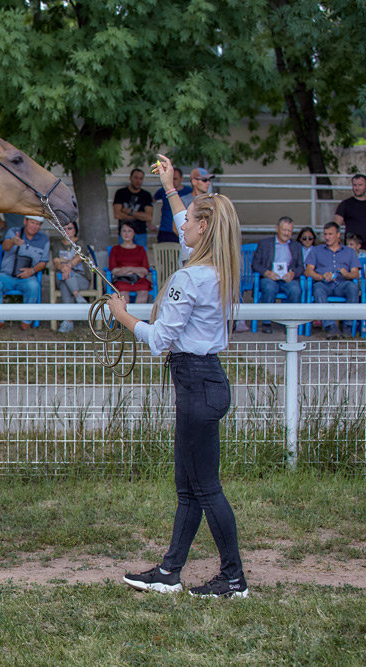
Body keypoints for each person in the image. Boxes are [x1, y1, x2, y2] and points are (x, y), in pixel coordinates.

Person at [111, 154, 249, 599]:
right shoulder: (218, 267)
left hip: (195, 383)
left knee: (204, 489)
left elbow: (160, 339)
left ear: (203, 228)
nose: (181, 225)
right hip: (206, 382)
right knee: (191, 487)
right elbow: (186, 220)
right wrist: (170, 186)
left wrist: (122, 316)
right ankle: (171, 572)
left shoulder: (189, 278)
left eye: (189, 220)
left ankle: (233, 578)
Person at [0, 214, 49, 331]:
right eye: (32, 222)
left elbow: (43, 262)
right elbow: (5, 247)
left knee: (34, 285)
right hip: (7, 275)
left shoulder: (43, 239)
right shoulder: (14, 231)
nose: (34, 226)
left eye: (38, 224)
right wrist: (12, 241)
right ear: (25, 221)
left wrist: (32, 271)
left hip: (27, 276)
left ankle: (26, 320)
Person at [305, 221, 360, 338]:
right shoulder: (316, 250)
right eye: (325, 234)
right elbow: (308, 271)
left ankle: (347, 327)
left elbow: (356, 274)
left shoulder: (349, 251)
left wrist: (347, 274)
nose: (327, 237)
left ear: (338, 235)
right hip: (324, 284)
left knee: (352, 287)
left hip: (342, 284)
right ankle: (330, 327)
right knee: (318, 288)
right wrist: (321, 276)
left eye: (330, 234)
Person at [250, 216, 303, 333]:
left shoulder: (296, 246)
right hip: (270, 277)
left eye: (289, 230)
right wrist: (267, 272)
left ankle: (291, 323)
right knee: (269, 287)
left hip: (287, 279)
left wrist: (293, 274)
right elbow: (255, 264)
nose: (286, 233)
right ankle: (266, 322)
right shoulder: (264, 244)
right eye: (284, 230)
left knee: (296, 289)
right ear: (277, 228)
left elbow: (301, 267)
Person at [51, 220, 93, 333]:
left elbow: (79, 257)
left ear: (75, 230)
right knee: (66, 277)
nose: (67, 231)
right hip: (63, 276)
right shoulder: (57, 244)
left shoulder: (80, 243)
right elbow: (55, 262)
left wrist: (67, 266)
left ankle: (67, 321)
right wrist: (63, 268)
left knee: (66, 280)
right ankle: (78, 296)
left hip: (81, 280)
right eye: (64, 229)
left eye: (69, 228)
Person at [177, 167, 215, 266]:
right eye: (204, 180)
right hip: (189, 249)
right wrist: (189, 243)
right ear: (194, 181)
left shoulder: (212, 201)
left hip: (208, 249)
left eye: (209, 180)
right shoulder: (185, 200)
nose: (208, 183)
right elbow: (176, 226)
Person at [109, 221, 152, 303]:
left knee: (143, 290)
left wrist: (128, 269)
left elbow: (145, 270)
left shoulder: (141, 249)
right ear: (120, 233)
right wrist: (126, 272)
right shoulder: (115, 249)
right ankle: (125, 315)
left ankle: (138, 315)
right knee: (123, 293)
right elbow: (113, 270)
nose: (126, 234)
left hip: (138, 279)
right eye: (124, 231)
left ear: (134, 233)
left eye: (129, 231)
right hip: (122, 279)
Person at [112, 168, 154, 247]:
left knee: (141, 257)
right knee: (123, 257)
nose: (138, 181)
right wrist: (139, 216)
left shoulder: (146, 195)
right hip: (124, 233)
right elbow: (117, 215)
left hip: (140, 234)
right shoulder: (120, 193)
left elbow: (148, 217)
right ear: (130, 178)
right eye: (136, 178)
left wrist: (130, 212)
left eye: (141, 179)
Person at [152, 167, 192, 243]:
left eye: (175, 179)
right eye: (171, 178)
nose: (173, 181)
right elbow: (151, 202)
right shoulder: (163, 190)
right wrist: (149, 222)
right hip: (165, 229)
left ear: (181, 179)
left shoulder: (189, 191)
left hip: (182, 229)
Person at [334, 174, 366, 242]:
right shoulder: (345, 204)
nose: (357, 188)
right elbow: (335, 227)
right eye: (354, 185)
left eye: (360, 185)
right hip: (351, 248)